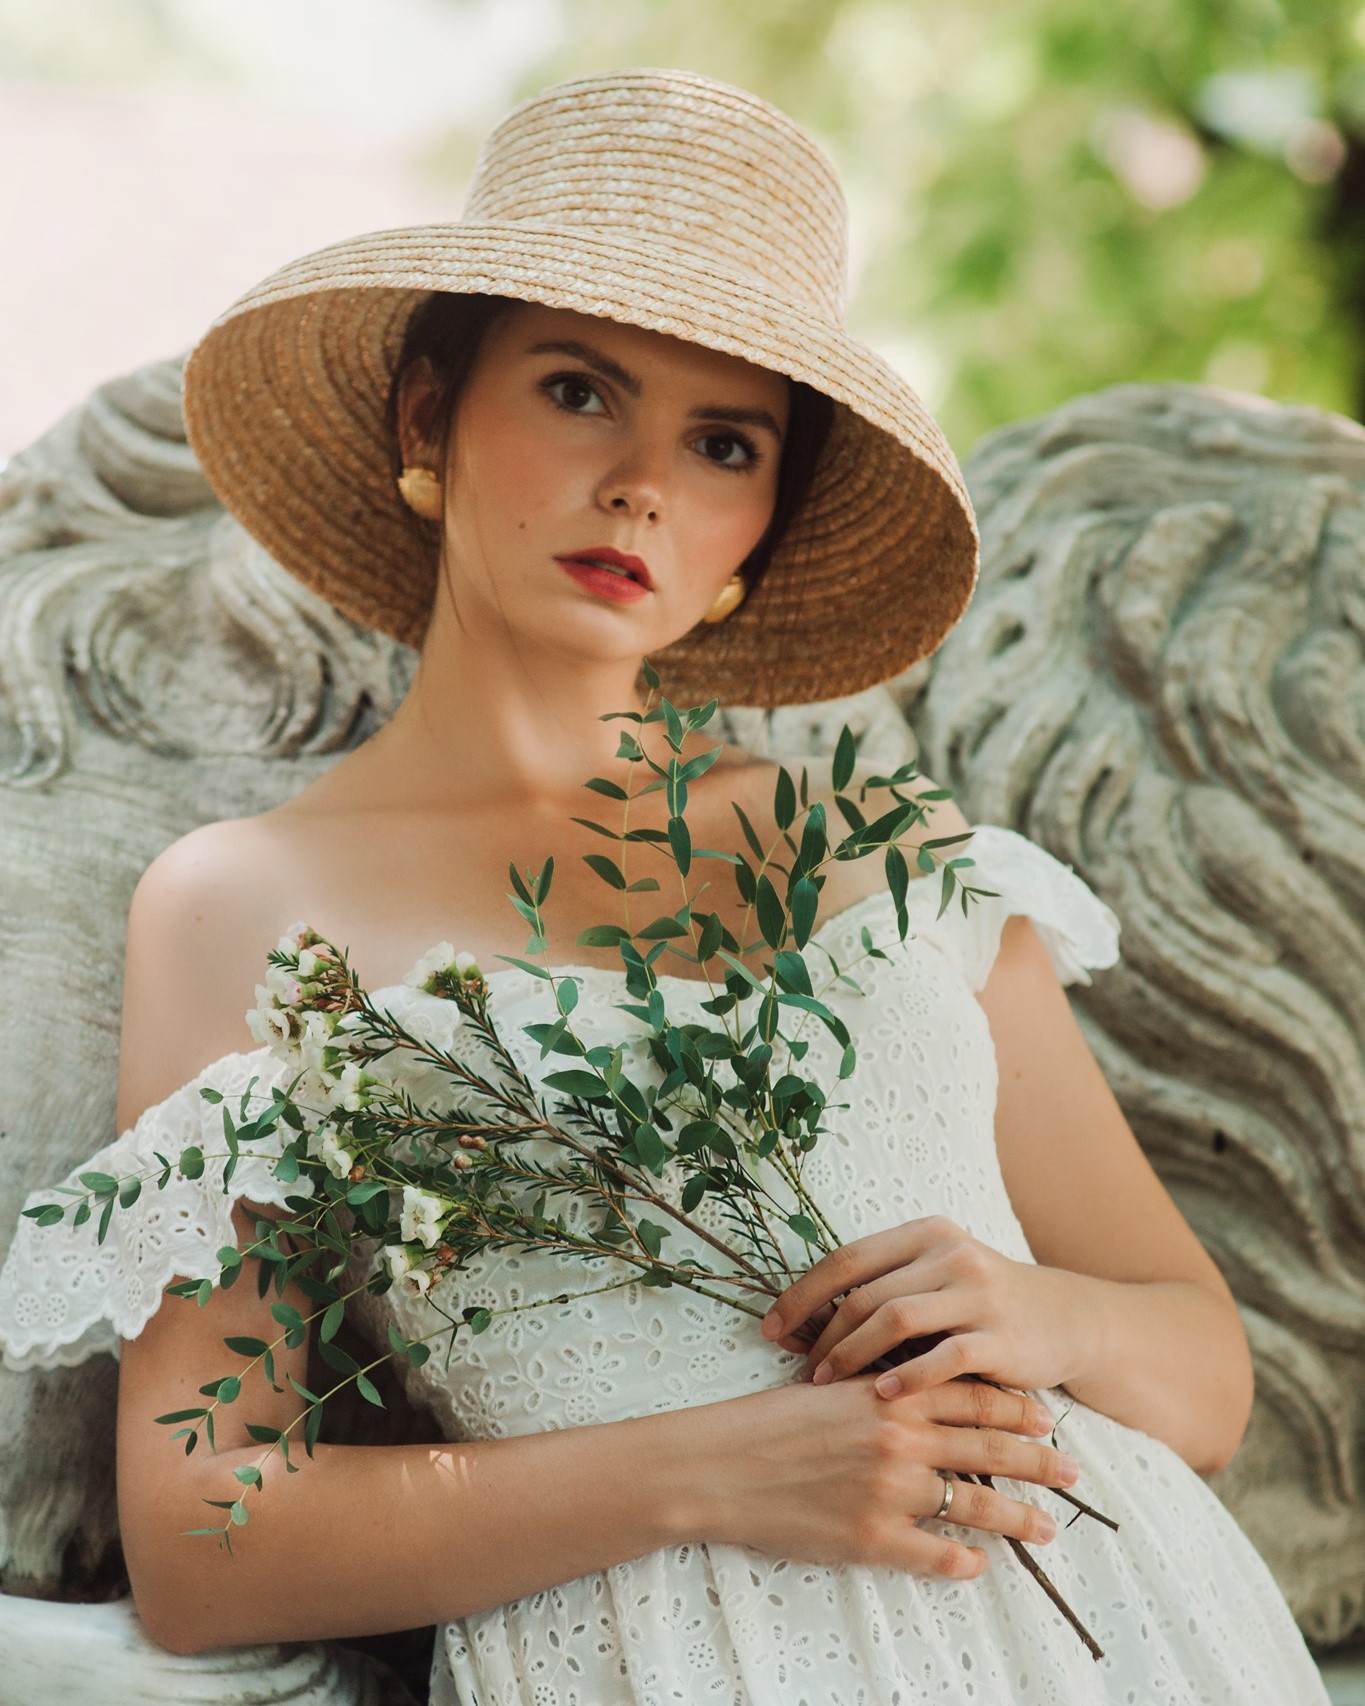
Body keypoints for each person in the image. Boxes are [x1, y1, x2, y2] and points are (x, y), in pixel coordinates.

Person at [0, 67, 1331, 1706]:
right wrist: (712, 1468)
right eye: (576, 390)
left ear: (756, 532)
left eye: (722, 441)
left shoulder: (881, 847)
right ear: (429, 415)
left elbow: (1200, 1369)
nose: (643, 482)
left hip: (1134, 1638)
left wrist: (1033, 1311)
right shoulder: (244, 905)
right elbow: (210, 1532)